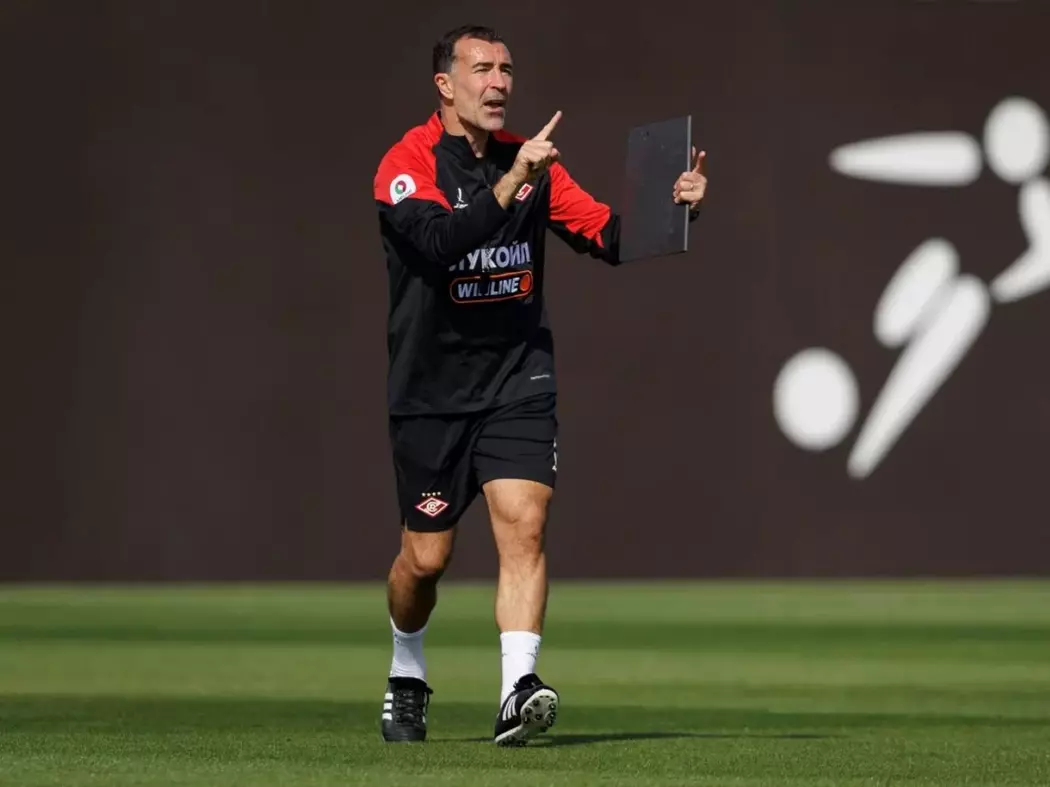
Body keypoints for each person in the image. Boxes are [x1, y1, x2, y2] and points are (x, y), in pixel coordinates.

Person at [371, 23, 708, 747]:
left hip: (517, 378)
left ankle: (516, 690)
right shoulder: (407, 163)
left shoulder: (533, 164)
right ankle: (406, 667)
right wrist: (513, 181)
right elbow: (439, 243)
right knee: (425, 561)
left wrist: (676, 205)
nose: (498, 82)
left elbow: (609, 236)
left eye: (506, 69)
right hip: (432, 393)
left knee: (525, 521)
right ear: (445, 84)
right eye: (482, 69)